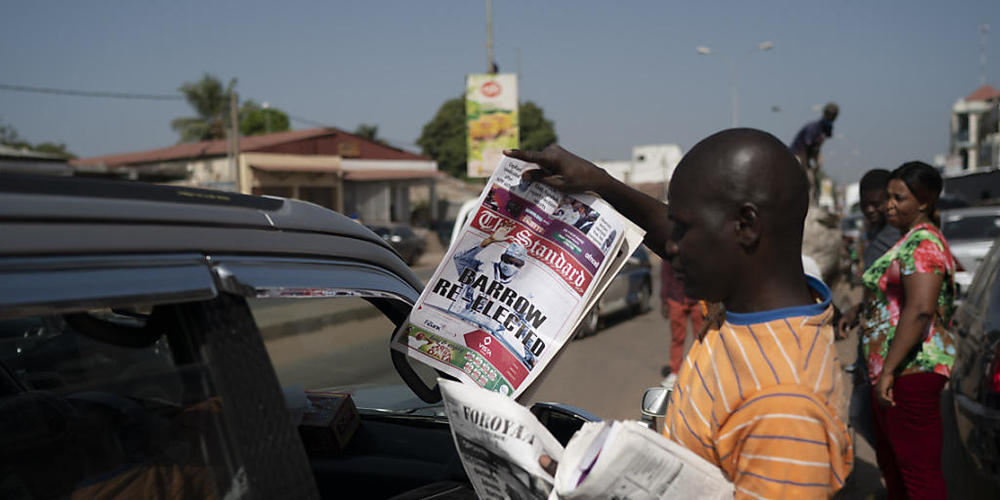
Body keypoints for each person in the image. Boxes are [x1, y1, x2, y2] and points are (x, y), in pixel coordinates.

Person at [507, 128, 851, 498]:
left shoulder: (784, 407)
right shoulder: (744, 305)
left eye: (684, 228)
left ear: (746, 227)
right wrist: (600, 183)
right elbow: (665, 228)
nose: (671, 245)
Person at [859, 161, 956, 499]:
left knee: (919, 475)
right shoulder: (909, 240)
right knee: (897, 469)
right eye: (888, 197)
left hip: (911, 370)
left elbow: (919, 310)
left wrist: (888, 371)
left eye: (899, 198)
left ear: (924, 202)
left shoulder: (923, 243)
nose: (889, 205)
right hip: (896, 371)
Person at [838, 169, 902, 449]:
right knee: (862, 416)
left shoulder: (896, 237)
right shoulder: (873, 234)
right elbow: (878, 288)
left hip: (890, 344)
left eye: (877, 203)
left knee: (868, 416)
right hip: (872, 339)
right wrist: (857, 309)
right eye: (866, 205)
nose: (871, 209)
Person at [659, 262, 703, 384]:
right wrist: (664, 300)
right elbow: (665, 275)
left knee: (701, 338)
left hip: (697, 298)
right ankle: (675, 371)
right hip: (676, 298)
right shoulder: (670, 247)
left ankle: (702, 368)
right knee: (677, 338)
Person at [791, 102, 839, 202]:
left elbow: (816, 148)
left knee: (813, 182)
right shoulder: (813, 128)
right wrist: (805, 168)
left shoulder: (826, 129)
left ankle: (810, 202)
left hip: (807, 156)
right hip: (797, 154)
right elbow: (804, 148)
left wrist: (817, 162)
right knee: (806, 180)